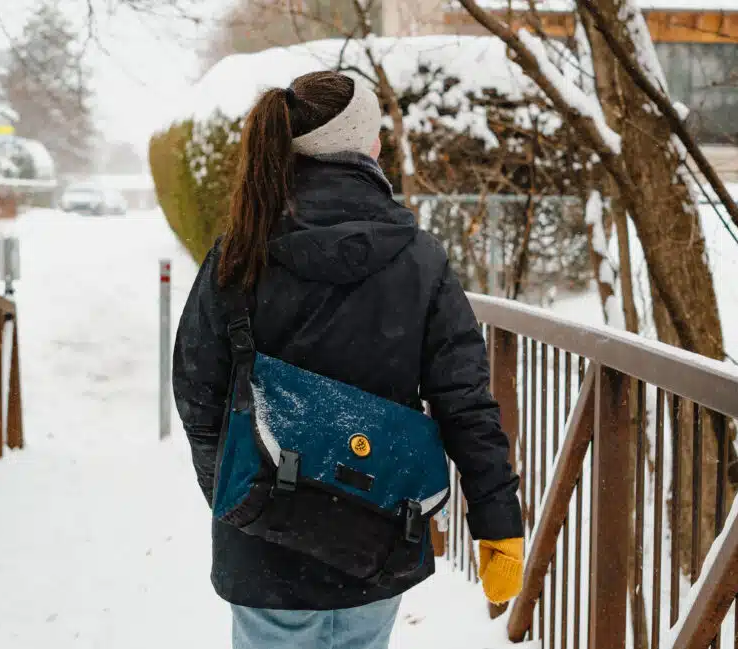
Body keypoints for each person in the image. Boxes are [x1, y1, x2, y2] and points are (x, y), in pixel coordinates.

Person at [172, 70, 524, 649]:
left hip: (265, 551)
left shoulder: (239, 254)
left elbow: (198, 395)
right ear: (366, 145)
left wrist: (241, 497)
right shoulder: (419, 259)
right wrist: (497, 524)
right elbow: (465, 404)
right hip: (378, 533)